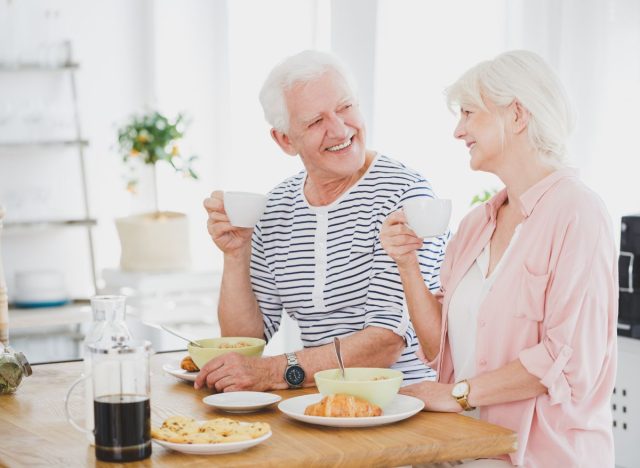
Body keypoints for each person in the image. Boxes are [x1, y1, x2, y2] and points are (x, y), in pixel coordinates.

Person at [380, 50, 617, 467]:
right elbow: (440, 350)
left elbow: (568, 362)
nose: (458, 131)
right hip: (465, 449)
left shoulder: (578, 212)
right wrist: (406, 264)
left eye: (469, 112)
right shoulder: (475, 224)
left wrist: (458, 394)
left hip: (541, 457)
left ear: (517, 115)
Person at [197, 50, 448, 393]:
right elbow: (245, 341)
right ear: (285, 139)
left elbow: (385, 342)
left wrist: (274, 373)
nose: (340, 129)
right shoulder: (277, 207)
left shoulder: (406, 196)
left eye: (345, 107)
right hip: (315, 406)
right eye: (316, 122)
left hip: (401, 406)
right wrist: (235, 255)